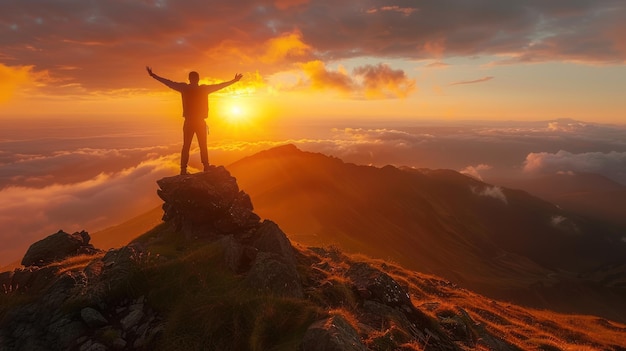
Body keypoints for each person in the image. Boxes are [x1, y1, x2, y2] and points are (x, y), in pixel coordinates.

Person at [146, 66, 243, 175]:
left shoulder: (184, 88)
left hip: (188, 122)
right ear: (198, 79)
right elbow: (220, 86)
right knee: (203, 145)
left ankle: (183, 169)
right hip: (200, 122)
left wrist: (153, 76)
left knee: (186, 146)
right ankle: (206, 166)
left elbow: (168, 82)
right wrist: (234, 81)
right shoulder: (203, 89)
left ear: (189, 79)